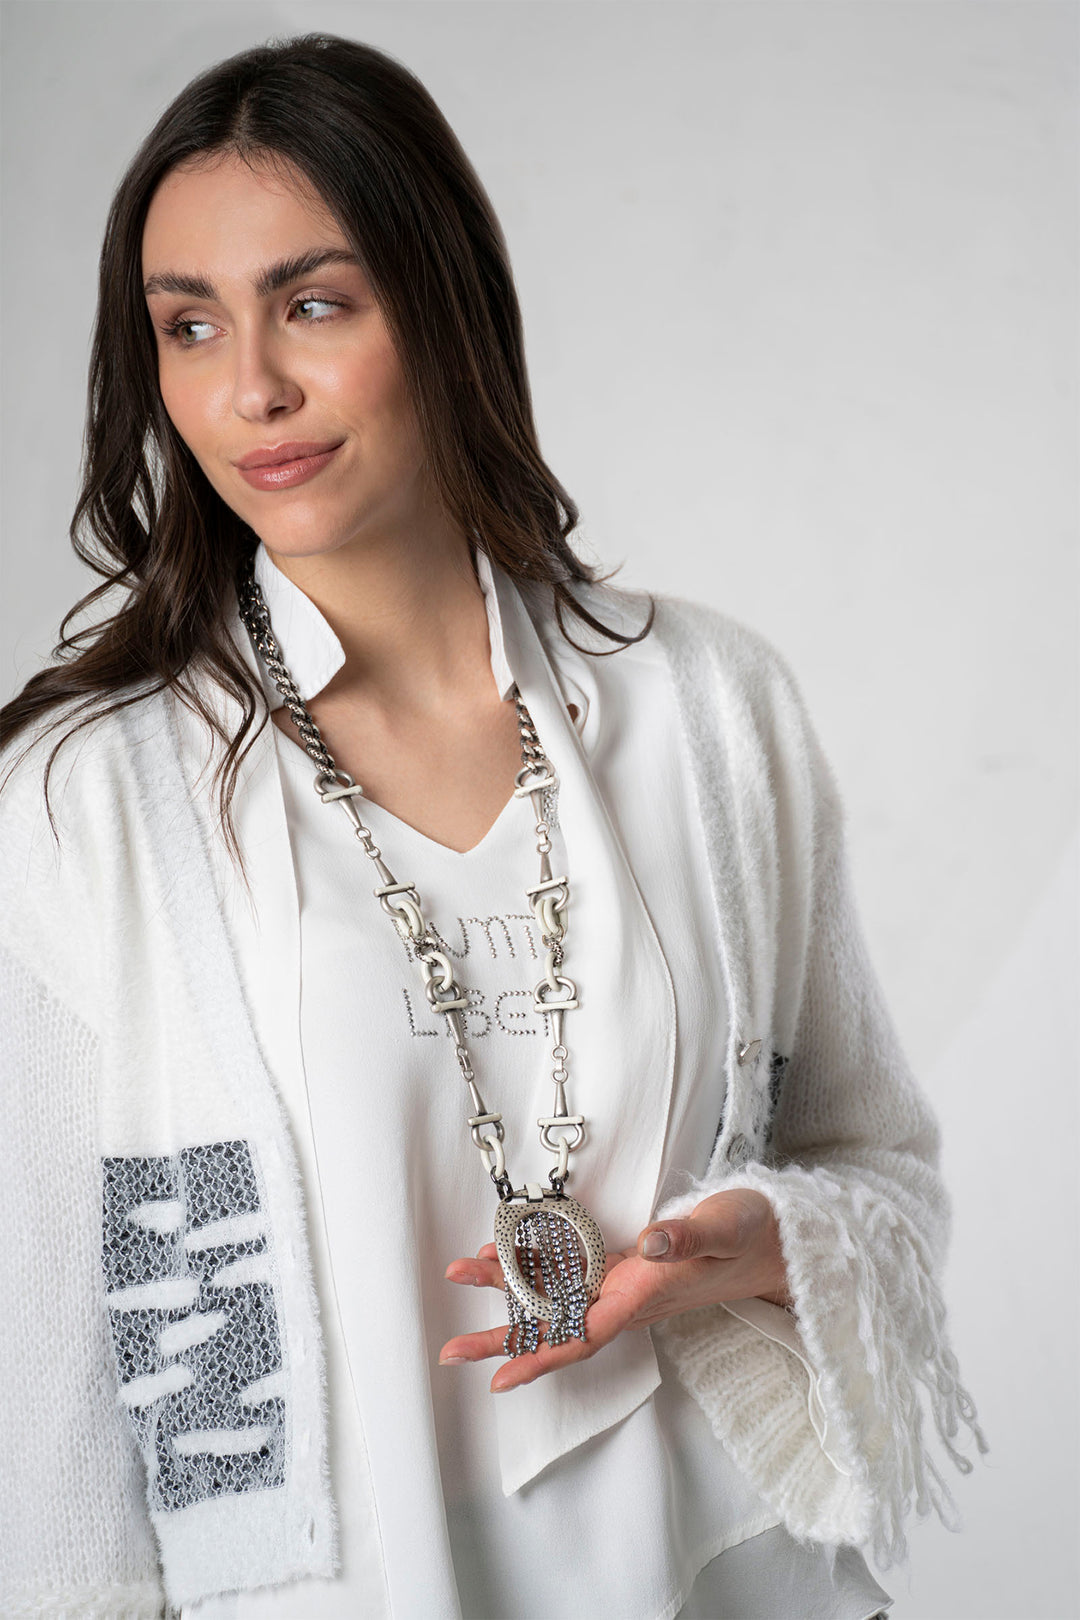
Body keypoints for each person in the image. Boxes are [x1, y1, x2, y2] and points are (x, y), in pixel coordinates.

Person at [0, 33, 986, 1620]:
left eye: (315, 304)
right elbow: (48, 1400)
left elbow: (878, 1169)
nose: (251, 386)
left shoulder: (707, 709)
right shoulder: (89, 803)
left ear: (443, 306)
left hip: (735, 1575)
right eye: (189, 327)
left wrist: (735, 1239)